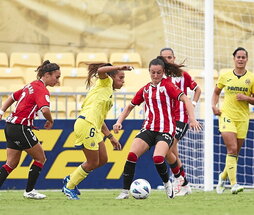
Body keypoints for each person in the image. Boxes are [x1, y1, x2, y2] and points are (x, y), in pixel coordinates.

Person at [114, 57, 201, 200]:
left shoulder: (168, 86)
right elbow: (130, 106)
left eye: (159, 73)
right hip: (149, 128)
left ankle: (168, 183)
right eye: (153, 73)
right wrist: (119, 122)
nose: (155, 76)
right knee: (131, 155)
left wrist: (192, 118)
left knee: (158, 157)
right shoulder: (146, 89)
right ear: (149, 72)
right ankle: (124, 192)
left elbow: (185, 98)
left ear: (164, 72)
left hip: (166, 130)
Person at [62, 63, 132, 200]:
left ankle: (70, 178)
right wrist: (120, 66)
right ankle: (69, 186)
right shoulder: (105, 82)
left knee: (103, 159)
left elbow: (100, 120)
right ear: (111, 76)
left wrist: (111, 137)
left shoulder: (108, 92)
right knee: (93, 162)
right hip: (86, 124)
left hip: (93, 125)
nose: (123, 81)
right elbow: (100, 71)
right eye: (121, 77)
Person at [0, 60, 61, 199]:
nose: (58, 80)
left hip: (10, 127)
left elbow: (12, 96)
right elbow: (45, 110)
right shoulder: (41, 89)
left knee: (11, 164)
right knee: (40, 158)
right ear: (47, 74)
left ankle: (29, 191)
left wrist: (2, 111)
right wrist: (50, 120)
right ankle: (29, 191)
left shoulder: (31, 85)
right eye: (56, 77)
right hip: (21, 127)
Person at [212, 47, 254, 194]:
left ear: (247, 59)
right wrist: (213, 106)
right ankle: (234, 184)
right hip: (227, 116)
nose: (241, 59)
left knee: (235, 153)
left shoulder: (252, 78)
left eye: (243, 57)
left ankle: (222, 178)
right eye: (238, 57)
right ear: (234, 59)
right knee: (232, 149)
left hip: (243, 118)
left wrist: (246, 98)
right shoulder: (225, 76)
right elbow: (216, 92)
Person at [160, 48, 201, 196]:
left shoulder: (183, 76)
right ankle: (185, 185)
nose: (167, 60)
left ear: (174, 58)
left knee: (167, 150)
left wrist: (193, 106)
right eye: (164, 58)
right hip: (167, 120)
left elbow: (197, 90)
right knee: (172, 153)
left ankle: (179, 181)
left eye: (169, 57)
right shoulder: (160, 78)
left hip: (181, 118)